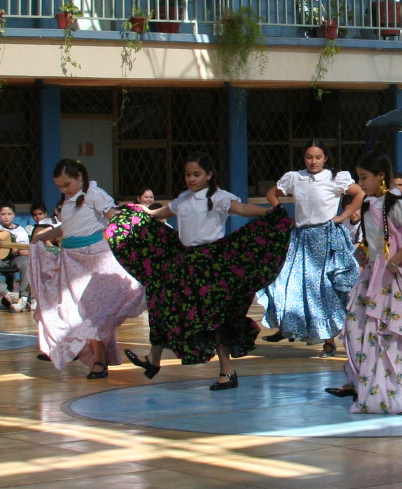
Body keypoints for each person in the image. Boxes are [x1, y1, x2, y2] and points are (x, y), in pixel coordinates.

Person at [113, 154, 291, 391]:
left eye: (196, 174)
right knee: (165, 304)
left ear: (208, 175)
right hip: (184, 263)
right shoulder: (184, 198)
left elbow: (241, 208)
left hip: (210, 266)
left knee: (214, 318)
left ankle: (227, 371)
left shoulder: (218, 197)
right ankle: (153, 359)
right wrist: (142, 211)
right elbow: (164, 212)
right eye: (188, 174)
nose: (191, 178)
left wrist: (267, 213)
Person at [326, 154, 402, 413]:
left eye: (364, 177)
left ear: (380, 176)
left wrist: (396, 260)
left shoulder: (395, 205)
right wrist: (365, 251)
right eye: (359, 178)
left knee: (394, 331)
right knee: (357, 327)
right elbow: (375, 238)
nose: (361, 183)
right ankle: (368, 381)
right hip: (374, 274)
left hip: (394, 276)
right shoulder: (369, 204)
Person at [30, 159, 146, 377]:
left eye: (67, 184)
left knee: (95, 311)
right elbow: (67, 228)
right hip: (72, 261)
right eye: (60, 186)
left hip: (97, 258)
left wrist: (132, 238)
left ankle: (99, 360)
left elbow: (114, 218)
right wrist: (43, 236)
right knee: (77, 311)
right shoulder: (68, 202)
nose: (64, 189)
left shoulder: (95, 194)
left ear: (79, 177)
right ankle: (89, 354)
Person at [259, 141, 363, 356]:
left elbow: (359, 193)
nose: (313, 161)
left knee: (323, 289)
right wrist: (284, 217)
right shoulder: (295, 177)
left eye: (317, 157)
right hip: (301, 238)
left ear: (325, 158)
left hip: (326, 238)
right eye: (309, 157)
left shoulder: (335, 178)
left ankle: (329, 340)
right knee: (288, 282)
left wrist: (343, 216)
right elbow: (272, 194)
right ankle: (287, 326)